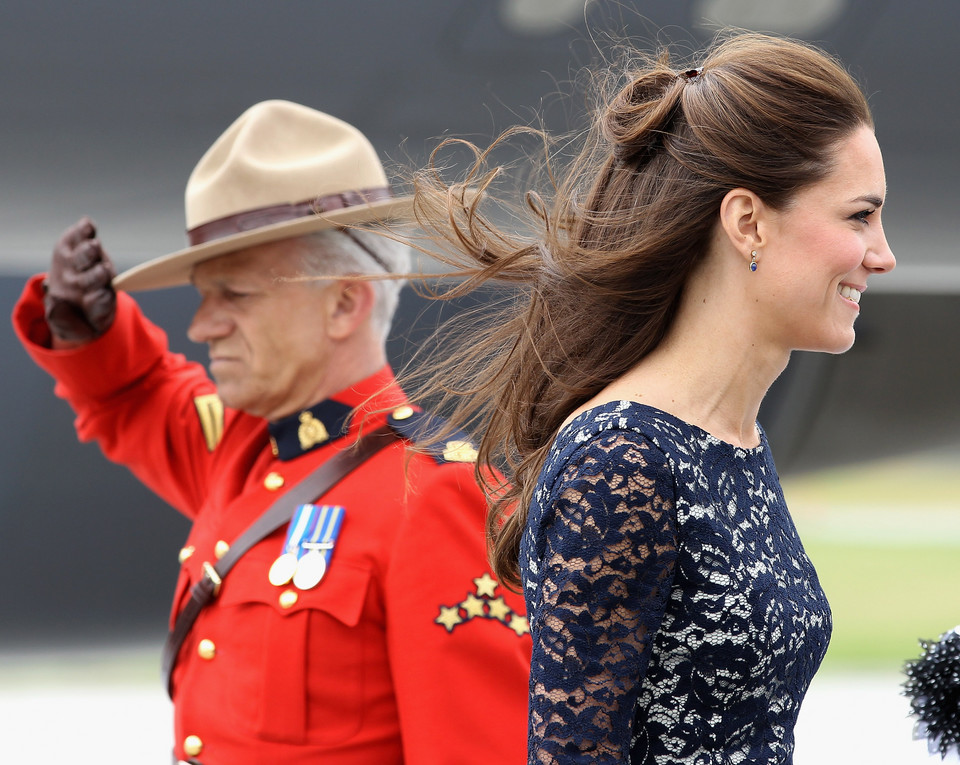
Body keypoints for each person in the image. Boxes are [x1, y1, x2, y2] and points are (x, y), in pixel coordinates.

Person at [400, 31, 897, 763]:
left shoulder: (729, 437)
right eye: (859, 216)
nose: (882, 254)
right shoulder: (623, 461)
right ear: (748, 222)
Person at [12, 100, 531, 764]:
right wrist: (90, 331)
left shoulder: (437, 495)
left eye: (237, 295)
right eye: (204, 294)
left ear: (345, 301)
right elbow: (134, 396)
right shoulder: (245, 450)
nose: (201, 325)